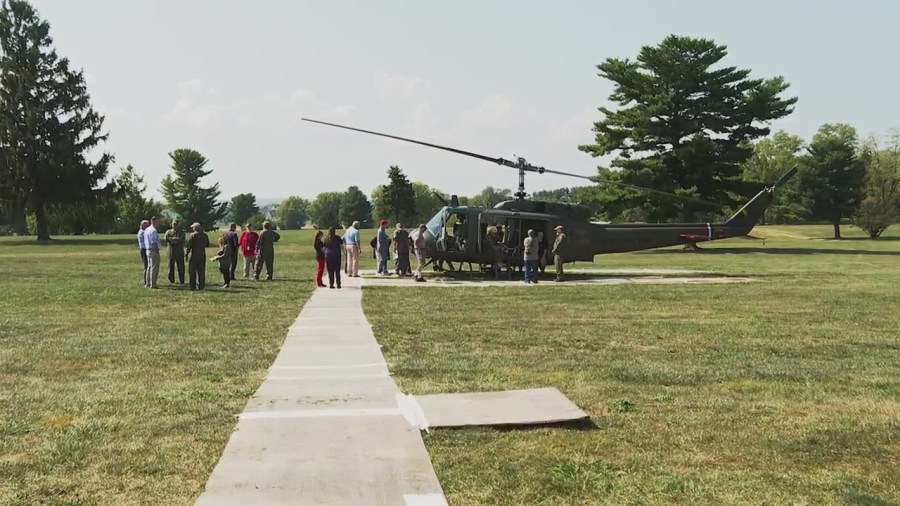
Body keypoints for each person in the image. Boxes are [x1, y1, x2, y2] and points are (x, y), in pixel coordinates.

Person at [185, 222, 210, 290]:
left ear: (195, 228)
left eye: (193, 227)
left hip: (194, 255)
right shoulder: (205, 235)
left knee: (192, 271)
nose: (192, 229)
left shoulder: (193, 235)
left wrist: (186, 254)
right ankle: (201, 286)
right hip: (202, 255)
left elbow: (189, 246)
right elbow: (207, 244)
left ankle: (192, 286)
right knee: (201, 271)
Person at [165, 219, 186, 284]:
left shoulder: (182, 232)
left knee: (181, 266)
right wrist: (174, 239)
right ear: (172, 224)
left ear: (178, 225)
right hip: (171, 251)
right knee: (170, 266)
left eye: (176, 224)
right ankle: (171, 280)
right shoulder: (168, 232)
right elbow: (166, 238)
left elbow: (181, 239)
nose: (175, 225)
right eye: (174, 224)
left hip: (179, 252)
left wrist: (172, 239)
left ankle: (182, 280)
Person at [144, 216, 162, 289]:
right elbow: (154, 241)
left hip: (147, 250)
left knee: (149, 267)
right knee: (154, 268)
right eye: (158, 222)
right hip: (153, 250)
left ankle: (148, 283)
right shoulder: (153, 230)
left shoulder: (147, 229)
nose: (159, 224)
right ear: (153, 221)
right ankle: (153, 284)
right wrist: (157, 249)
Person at [137, 220, 149, 286]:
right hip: (144, 250)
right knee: (146, 266)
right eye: (146, 225)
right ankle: (146, 280)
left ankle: (147, 280)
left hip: (144, 249)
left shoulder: (143, 232)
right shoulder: (142, 232)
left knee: (147, 265)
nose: (148, 226)